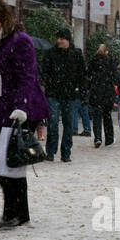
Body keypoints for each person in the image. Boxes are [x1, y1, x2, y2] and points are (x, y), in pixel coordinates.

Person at [0, 1, 48, 229]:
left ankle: (12, 212)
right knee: (10, 163)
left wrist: (21, 106)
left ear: (2, 19)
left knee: (9, 164)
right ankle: (19, 213)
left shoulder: (19, 41)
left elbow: (27, 76)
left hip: (15, 111)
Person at [41, 26, 86, 163]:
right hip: (53, 93)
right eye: (58, 38)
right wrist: (47, 83)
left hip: (70, 94)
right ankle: (50, 151)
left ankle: (66, 152)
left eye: (62, 38)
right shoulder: (51, 53)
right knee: (53, 122)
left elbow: (82, 74)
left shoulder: (76, 54)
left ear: (68, 40)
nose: (59, 41)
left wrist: (81, 90)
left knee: (68, 124)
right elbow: (44, 71)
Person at [87, 42, 120, 148]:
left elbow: (87, 75)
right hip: (107, 92)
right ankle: (109, 138)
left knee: (97, 116)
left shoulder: (93, 61)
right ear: (107, 52)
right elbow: (115, 78)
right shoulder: (110, 62)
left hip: (96, 92)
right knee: (107, 116)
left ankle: (97, 138)